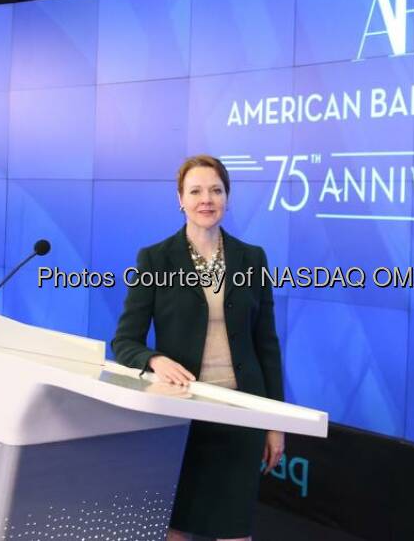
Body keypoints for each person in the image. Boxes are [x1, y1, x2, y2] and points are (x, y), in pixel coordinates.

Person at [111, 154, 285, 541]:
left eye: (216, 190)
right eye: (196, 191)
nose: (206, 199)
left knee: (235, 527)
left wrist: (276, 421)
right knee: (177, 527)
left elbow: (266, 344)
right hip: (181, 413)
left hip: (242, 411)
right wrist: (153, 359)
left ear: (227, 197)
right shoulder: (155, 258)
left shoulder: (252, 258)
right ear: (180, 199)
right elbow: (124, 341)